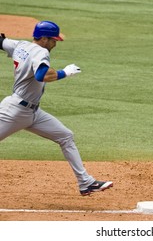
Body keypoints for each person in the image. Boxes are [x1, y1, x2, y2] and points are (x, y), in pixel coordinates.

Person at [0, 21, 112, 196]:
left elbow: (1, 42)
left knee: (66, 136)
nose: (55, 43)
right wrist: (65, 72)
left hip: (32, 112)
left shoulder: (19, 45)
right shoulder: (40, 51)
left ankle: (86, 183)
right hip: (14, 111)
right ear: (44, 39)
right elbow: (42, 75)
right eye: (53, 40)